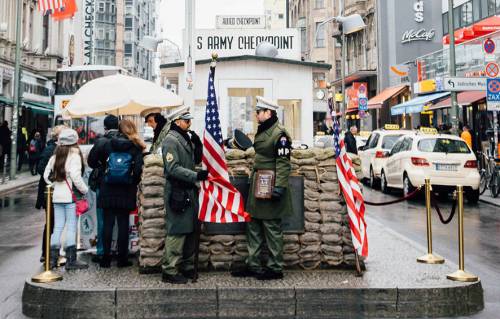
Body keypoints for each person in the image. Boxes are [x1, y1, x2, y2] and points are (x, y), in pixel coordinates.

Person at [231, 96, 293, 280]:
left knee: (272, 227)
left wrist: (280, 187)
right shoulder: (265, 130)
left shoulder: (280, 134)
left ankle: (275, 267)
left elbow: (283, 163)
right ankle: (254, 264)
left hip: (271, 184)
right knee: (254, 225)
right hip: (259, 184)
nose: (256, 115)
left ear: (269, 113)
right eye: (257, 111)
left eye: (259, 112)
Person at [88, 119, 144, 268]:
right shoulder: (135, 147)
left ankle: (105, 259)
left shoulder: (106, 144)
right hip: (126, 190)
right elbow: (139, 170)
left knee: (107, 224)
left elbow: (92, 161)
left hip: (107, 188)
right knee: (123, 224)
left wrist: (104, 169)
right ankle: (122, 260)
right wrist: (132, 180)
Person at [161, 107, 206, 284]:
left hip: (189, 190)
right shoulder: (171, 141)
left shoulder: (184, 138)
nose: (189, 124)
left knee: (191, 228)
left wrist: (197, 144)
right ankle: (170, 269)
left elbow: (192, 161)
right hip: (178, 190)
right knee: (178, 230)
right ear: (177, 121)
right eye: (187, 121)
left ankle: (187, 266)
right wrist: (195, 175)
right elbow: (172, 168)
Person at [43, 129, 89, 270]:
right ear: (74, 141)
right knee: (71, 227)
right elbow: (76, 177)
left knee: (57, 228)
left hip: (57, 196)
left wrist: (55, 185)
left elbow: (46, 176)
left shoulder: (54, 157)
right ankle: (71, 260)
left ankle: (52, 260)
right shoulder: (74, 156)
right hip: (70, 197)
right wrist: (85, 190)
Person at [87, 115, 120, 263]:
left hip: (104, 184)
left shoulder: (100, 142)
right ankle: (121, 251)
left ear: (105, 127)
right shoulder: (125, 140)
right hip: (122, 186)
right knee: (121, 220)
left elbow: (91, 162)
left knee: (103, 221)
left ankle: (102, 251)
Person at [36, 125, 66, 263]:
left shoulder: (56, 148)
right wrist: (55, 179)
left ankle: (50, 252)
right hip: (50, 192)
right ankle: (47, 253)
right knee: (52, 223)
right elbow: (41, 168)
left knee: (54, 223)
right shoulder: (50, 149)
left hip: (53, 191)